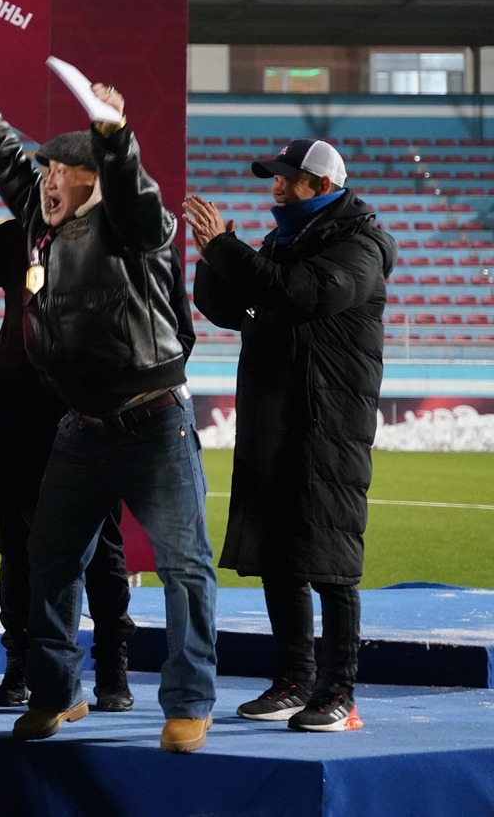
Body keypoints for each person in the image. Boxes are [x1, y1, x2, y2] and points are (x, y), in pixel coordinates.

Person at [0, 10, 215, 754]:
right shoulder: (40, 219)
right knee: (49, 562)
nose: (46, 179)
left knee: (184, 567)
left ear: (93, 177)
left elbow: (137, 194)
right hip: (79, 428)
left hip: (154, 420)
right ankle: (56, 693)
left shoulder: (138, 225)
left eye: (60, 169)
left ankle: (189, 704)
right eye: (45, 169)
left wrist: (116, 137)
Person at [186, 138, 393, 734]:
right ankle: (295, 680)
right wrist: (211, 259)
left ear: (323, 186)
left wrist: (227, 249)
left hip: (330, 422)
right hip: (276, 415)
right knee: (279, 554)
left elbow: (299, 294)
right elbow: (232, 309)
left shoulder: (360, 246)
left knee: (331, 559)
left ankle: (339, 692)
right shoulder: (286, 242)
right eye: (274, 177)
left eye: (287, 178)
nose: (275, 187)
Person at [0, 217, 138, 710]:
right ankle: (20, 664)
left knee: (103, 549)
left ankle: (112, 667)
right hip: (16, 414)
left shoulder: (118, 237)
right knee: (16, 548)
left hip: (89, 414)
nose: (53, 188)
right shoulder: (19, 236)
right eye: (48, 181)